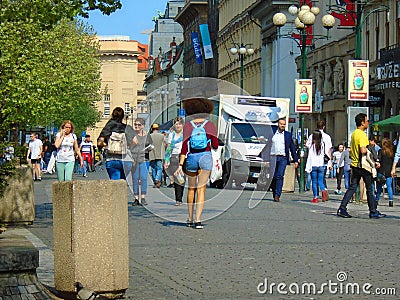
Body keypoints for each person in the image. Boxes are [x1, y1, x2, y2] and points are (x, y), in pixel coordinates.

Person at [176, 97, 218, 229]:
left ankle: (189, 217)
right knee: (202, 189)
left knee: (191, 189)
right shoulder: (210, 125)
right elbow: (215, 145)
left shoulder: (188, 126)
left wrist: (180, 165)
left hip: (191, 158)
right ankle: (198, 220)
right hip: (205, 157)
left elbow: (184, 146)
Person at [337, 113, 386, 219]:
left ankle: (342, 208)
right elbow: (363, 150)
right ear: (363, 123)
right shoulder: (362, 135)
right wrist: (372, 157)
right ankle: (373, 211)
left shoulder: (354, 133)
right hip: (363, 165)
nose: (368, 122)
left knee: (352, 187)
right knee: (370, 188)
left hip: (354, 164)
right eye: (367, 121)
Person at [264, 117, 298, 202]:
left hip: (283, 158)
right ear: (278, 124)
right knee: (273, 176)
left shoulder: (288, 135)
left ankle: (277, 195)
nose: (282, 125)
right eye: (281, 124)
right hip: (273, 157)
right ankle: (274, 191)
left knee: (280, 176)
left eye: (284, 124)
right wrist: (265, 159)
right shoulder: (272, 134)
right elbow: (267, 147)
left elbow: (292, 148)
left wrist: (296, 159)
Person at [97, 107, 136, 181]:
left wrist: (106, 145)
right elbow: (135, 141)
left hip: (112, 159)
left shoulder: (109, 126)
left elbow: (100, 142)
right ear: (123, 116)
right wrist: (128, 147)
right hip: (126, 160)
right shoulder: (127, 127)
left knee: (115, 184)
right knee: (122, 183)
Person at [130, 117, 153, 206]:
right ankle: (136, 198)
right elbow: (128, 147)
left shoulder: (147, 135)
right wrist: (132, 143)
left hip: (144, 159)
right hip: (134, 159)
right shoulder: (132, 135)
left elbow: (151, 144)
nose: (136, 126)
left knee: (143, 178)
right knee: (135, 179)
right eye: (135, 124)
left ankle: (143, 197)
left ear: (143, 126)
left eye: (139, 125)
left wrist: (150, 148)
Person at [305, 130, 331, 203]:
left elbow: (310, 156)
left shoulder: (312, 146)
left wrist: (308, 167)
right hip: (321, 165)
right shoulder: (322, 145)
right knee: (320, 181)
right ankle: (323, 190)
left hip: (313, 165)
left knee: (314, 182)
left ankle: (316, 197)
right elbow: (326, 154)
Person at [164, 117, 185, 206]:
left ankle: (180, 197)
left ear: (182, 125)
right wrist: (166, 160)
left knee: (182, 179)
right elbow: (169, 148)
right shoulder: (171, 135)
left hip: (183, 157)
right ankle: (178, 199)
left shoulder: (185, 135)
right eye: (176, 124)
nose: (178, 126)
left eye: (179, 124)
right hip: (174, 157)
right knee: (177, 178)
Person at [306, 120, 332, 189]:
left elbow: (308, 147)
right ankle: (324, 190)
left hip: (313, 161)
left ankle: (313, 193)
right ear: (324, 127)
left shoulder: (312, 136)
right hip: (324, 161)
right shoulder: (327, 137)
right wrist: (330, 162)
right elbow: (329, 150)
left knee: (314, 180)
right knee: (322, 178)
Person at [376, 138, 394, 207]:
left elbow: (379, 160)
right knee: (389, 186)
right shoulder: (391, 152)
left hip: (381, 171)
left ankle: (377, 199)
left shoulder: (381, 151)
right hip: (389, 171)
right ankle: (391, 200)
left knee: (379, 187)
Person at [149, 123, 165, 188]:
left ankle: (155, 181)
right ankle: (157, 179)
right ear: (158, 129)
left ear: (152, 129)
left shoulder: (149, 136)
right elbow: (166, 144)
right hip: (160, 154)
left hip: (152, 154)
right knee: (159, 168)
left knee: (153, 168)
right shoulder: (162, 136)